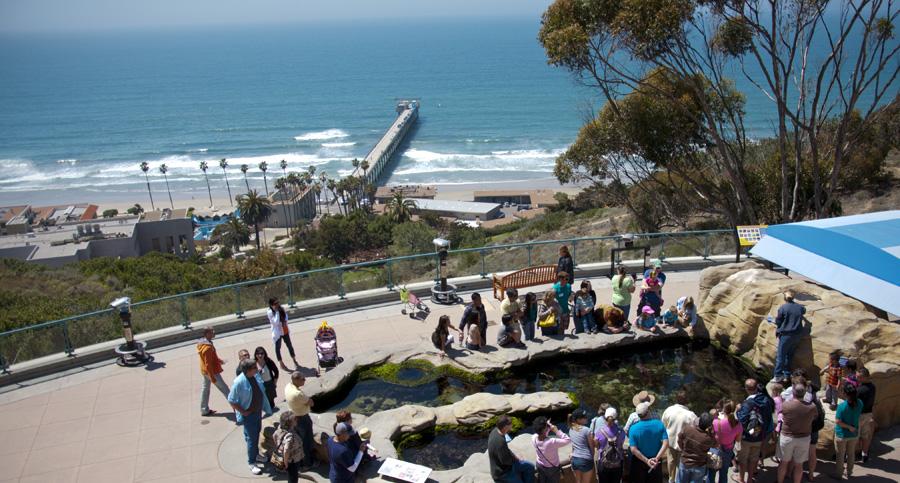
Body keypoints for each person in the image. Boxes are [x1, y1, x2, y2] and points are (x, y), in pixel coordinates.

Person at [228, 359, 273, 475]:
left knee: (256, 433)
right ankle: (252, 462)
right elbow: (231, 400)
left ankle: (256, 455)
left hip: (257, 412)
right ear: (248, 370)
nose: (257, 369)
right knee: (251, 439)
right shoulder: (239, 382)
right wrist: (243, 412)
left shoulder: (255, 376)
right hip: (249, 415)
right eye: (254, 367)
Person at [736, 378, 774, 483]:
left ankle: (741, 478)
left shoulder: (747, 403)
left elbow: (742, 420)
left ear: (746, 389)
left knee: (743, 459)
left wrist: (738, 410)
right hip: (759, 436)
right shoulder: (766, 401)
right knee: (754, 459)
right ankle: (749, 480)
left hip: (747, 438)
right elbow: (767, 419)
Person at [777, 383, 817, 483]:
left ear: (793, 393)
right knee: (799, 465)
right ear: (804, 394)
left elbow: (780, 413)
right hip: (804, 438)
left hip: (787, 437)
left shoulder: (786, 405)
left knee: (784, 463)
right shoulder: (812, 407)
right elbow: (815, 417)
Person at [662, 391, 698, 483]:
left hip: (670, 441)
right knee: (681, 465)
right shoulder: (691, 415)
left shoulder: (669, 410)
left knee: (671, 462)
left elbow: (663, 424)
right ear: (687, 401)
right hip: (684, 444)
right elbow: (695, 430)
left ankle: (671, 480)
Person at [629, 401, 669, 483]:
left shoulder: (633, 428)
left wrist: (647, 461)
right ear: (648, 412)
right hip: (656, 462)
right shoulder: (659, 424)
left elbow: (633, 449)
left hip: (638, 462)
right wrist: (656, 458)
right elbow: (666, 443)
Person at [488, 415, 535, 483]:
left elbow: (505, 450)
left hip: (508, 467)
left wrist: (515, 456)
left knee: (530, 467)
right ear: (506, 427)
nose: (511, 426)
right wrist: (515, 460)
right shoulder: (500, 441)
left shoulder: (496, 431)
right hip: (503, 473)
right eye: (510, 424)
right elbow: (505, 461)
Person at [284, 371, 315, 469]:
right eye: (303, 379)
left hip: (294, 417)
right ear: (296, 380)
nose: (305, 380)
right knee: (306, 441)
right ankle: (307, 464)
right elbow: (311, 403)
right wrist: (307, 402)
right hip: (302, 419)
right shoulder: (298, 394)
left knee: (298, 440)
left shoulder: (288, 386)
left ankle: (300, 461)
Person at [773, 291, 805, 383]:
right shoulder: (799, 307)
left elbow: (778, 321)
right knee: (789, 355)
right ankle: (787, 374)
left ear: (785, 298)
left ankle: (778, 375)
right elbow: (804, 311)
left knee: (781, 356)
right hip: (797, 335)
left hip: (786, 335)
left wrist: (778, 324)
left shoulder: (783, 308)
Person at [197, 327, 230, 417]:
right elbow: (208, 364)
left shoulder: (203, 343)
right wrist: (212, 377)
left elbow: (210, 358)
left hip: (205, 372)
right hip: (211, 372)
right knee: (225, 389)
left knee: (205, 390)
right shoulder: (207, 348)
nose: (214, 332)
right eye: (212, 331)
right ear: (207, 334)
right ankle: (238, 410)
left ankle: (204, 410)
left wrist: (219, 361)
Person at [708, 400, 742, 483]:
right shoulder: (738, 424)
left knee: (711, 474)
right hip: (728, 451)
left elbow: (709, 436)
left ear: (723, 410)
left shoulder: (715, 422)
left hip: (715, 449)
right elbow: (738, 440)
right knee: (724, 474)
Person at [677, 413, 717, 483]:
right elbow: (716, 445)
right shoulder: (708, 438)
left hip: (685, 462)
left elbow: (679, 440)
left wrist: (683, 449)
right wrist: (712, 432)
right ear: (709, 426)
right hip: (699, 465)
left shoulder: (687, 429)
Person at [834, 383, 862, 479]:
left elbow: (838, 421)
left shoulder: (842, 406)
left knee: (840, 455)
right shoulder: (860, 403)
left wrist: (848, 427)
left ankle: (838, 475)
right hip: (854, 434)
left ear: (845, 394)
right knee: (851, 453)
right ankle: (849, 472)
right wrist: (852, 427)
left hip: (842, 434)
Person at [532, 416, 571, 483]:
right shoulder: (552, 442)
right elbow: (567, 440)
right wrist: (556, 431)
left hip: (540, 465)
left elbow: (543, 434)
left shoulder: (534, 437)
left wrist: (548, 427)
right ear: (544, 429)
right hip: (552, 468)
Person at [595, 407, 626, 483]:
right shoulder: (621, 431)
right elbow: (621, 445)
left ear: (605, 417)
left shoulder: (599, 431)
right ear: (616, 418)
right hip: (618, 462)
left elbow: (597, 446)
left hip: (603, 462)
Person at [267, 297, 299, 371]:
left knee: (289, 345)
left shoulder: (281, 308)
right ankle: (281, 363)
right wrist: (277, 312)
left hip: (284, 330)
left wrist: (285, 321)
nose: (277, 305)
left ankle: (294, 359)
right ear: (271, 305)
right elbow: (275, 322)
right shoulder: (270, 312)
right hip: (277, 332)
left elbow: (286, 317)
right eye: (275, 304)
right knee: (278, 348)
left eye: (278, 302)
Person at [272, 410, 304, 483]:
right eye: (294, 419)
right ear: (289, 423)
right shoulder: (290, 436)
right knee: (293, 478)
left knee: (291, 476)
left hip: (286, 457)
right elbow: (286, 449)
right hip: (292, 460)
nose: (296, 420)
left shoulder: (279, 428)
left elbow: (274, 435)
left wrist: (278, 447)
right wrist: (286, 463)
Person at [568, 409, 596, 483]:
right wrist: (591, 458)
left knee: (578, 481)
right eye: (584, 417)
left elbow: (574, 445)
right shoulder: (586, 430)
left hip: (575, 460)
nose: (586, 418)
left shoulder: (571, 429)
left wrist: (572, 453)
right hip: (585, 460)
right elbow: (592, 447)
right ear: (578, 420)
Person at [856, 367, 876, 463]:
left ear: (864, 377)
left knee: (855, 436)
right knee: (865, 436)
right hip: (868, 414)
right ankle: (865, 454)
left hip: (859, 415)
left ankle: (850, 456)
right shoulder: (873, 387)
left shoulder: (860, 390)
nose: (857, 378)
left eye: (859, 377)